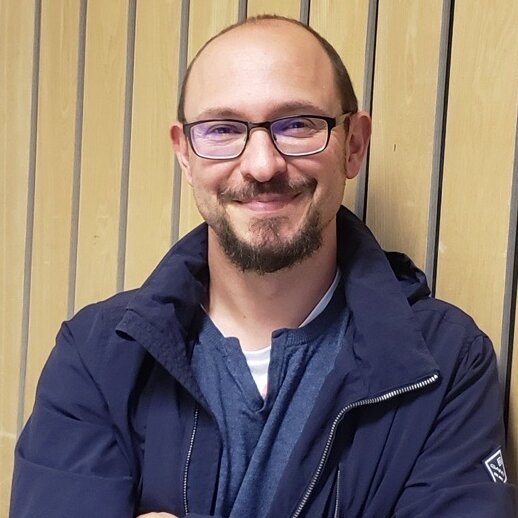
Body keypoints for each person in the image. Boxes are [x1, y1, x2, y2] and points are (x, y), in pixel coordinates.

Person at [10, 15, 516, 518]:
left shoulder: (445, 362)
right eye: (222, 129)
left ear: (354, 145)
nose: (261, 165)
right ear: (185, 155)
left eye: (297, 124)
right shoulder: (98, 355)